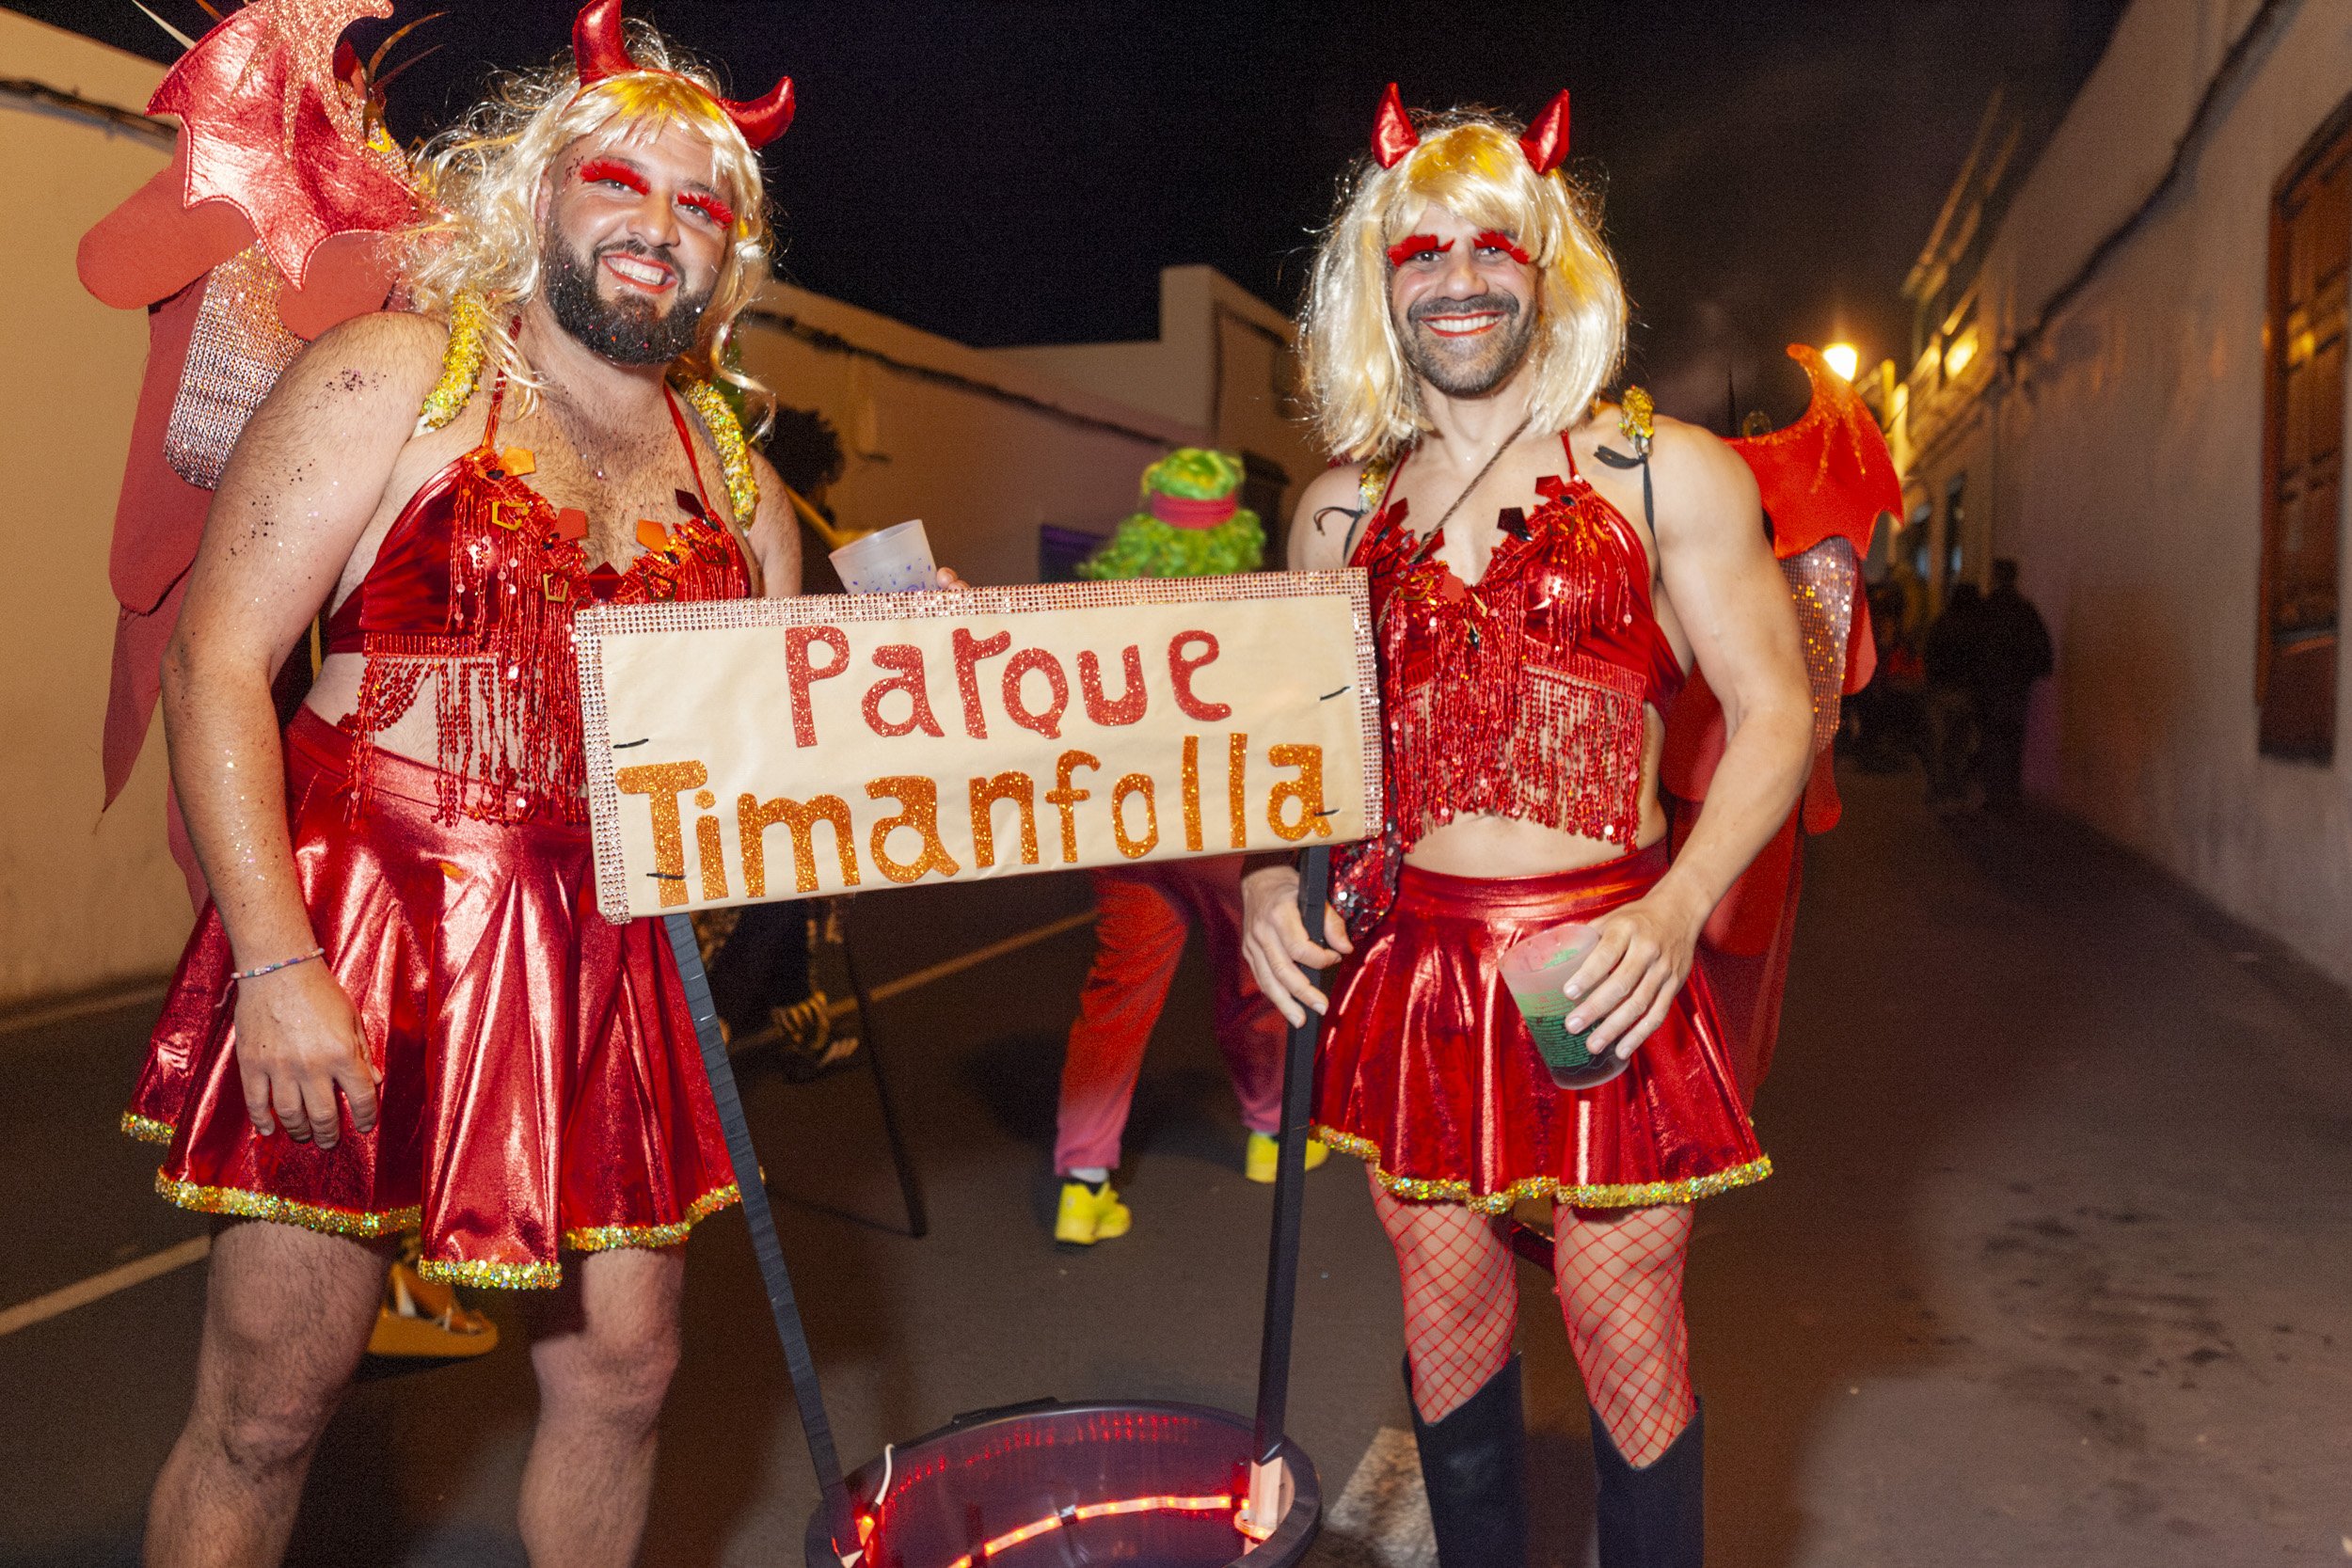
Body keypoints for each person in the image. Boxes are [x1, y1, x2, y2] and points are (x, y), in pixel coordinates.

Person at [116, 5, 833, 1560]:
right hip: (367, 925)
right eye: (619, 183)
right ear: (540, 191)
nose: (657, 228)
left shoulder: (744, 487)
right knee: (270, 1403)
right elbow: (216, 663)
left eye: (700, 207)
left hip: (612, 958)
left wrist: (923, 671)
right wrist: (275, 962)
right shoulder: (397, 373)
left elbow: (764, 757)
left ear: (729, 257)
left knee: (627, 1377)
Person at [1243, 87, 1812, 1567]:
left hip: (1600, 959)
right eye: (1423, 249)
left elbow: (1777, 711)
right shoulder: (1337, 512)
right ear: (1380, 281)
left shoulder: (1665, 470)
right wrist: (1260, 881)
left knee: (1627, 1336)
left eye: (1495, 245)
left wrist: (1676, 907)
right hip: (1420, 970)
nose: (1460, 278)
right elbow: (1296, 758)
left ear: (1549, 268)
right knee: (1447, 1327)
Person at [1050, 449, 1326, 1245]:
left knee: (1116, 999)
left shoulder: (1106, 609)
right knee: (1255, 981)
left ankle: (1083, 1183)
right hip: (1223, 830)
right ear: (1236, 523)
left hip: (1128, 829)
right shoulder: (1254, 613)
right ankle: (1271, 1134)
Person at [1970, 558, 2054, 809]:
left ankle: (1993, 792)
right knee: (2013, 739)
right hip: (2016, 686)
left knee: (1991, 737)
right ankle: (2009, 792)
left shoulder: (1987, 610)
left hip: (1989, 685)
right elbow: (2042, 650)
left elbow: (1974, 648)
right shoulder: (2025, 611)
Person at [1922, 580, 1984, 806]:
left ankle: (1938, 788)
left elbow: (1930, 654)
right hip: (1965, 692)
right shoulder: (1977, 629)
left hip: (1940, 691)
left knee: (1938, 742)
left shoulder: (1943, 623)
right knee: (1959, 744)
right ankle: (1955, 786)